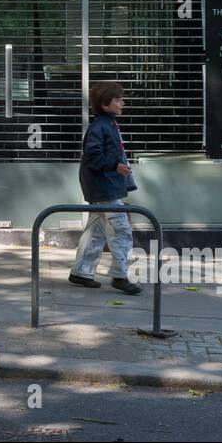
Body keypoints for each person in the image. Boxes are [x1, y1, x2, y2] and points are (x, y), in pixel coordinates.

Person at [70, 81, 141, 295]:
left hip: (104, 184)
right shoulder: (100, 127)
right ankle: (120, 275)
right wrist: (115, 166)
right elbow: (93, 156)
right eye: (118, 100)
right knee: (120, 228)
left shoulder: (108, 124)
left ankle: (81, 272)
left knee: (97, 229)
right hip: (103, 186)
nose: (122, 103)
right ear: (104, 105)